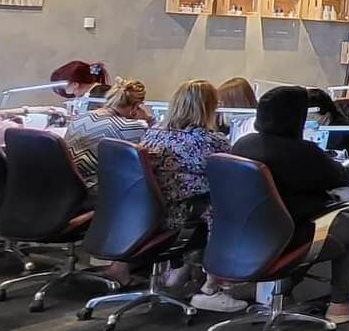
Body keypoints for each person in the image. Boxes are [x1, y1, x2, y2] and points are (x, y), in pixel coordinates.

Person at [226, 85, 349, 323]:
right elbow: (341, 177)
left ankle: (282, 294)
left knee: (308, 225)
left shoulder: (243, 145)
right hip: (287, 237)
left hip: (248, 236)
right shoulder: (302, 152)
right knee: (348, 223)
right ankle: (339, 304)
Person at [140, 80, 229, 230]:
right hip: (186, 212)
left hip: (148, 211)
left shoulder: (153, 133)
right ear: (209, 108)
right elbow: (232, 176)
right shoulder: (208, 141)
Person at [65, 78, 152, 186]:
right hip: (95, 190)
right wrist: (148, 119)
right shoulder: (132, 127)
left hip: (67, 185)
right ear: (136, 106)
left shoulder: (80, 117)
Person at [217, 77, 259, 141]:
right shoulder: (236, 121)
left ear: (233, 101)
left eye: (223, 102)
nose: (220, 106)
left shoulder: (253, 123)